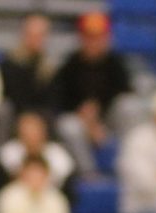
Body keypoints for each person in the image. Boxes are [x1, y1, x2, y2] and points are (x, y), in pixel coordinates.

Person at [52, 11, 133, 177]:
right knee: (68, 125)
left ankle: (127, 162)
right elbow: (59, 100)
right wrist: (84, 117)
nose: (94, 42)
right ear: (81, 37)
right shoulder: (70, 65)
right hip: (80, 122)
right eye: (89, 36)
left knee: (128, 106)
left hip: (108, 124)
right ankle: (89, 173)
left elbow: (126, 92)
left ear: (107, 37)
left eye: (98, 36)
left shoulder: (116, 64)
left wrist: (98, 120)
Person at [0, 110, 74, 193]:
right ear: (18, 133)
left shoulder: (58, 154)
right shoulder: (7, 152)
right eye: (26, 131)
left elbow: (62, 185)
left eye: (34, 130)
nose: (30, 135)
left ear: (44, 132)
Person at [0, 13, 56, 118]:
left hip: (42, 124)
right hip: (15, 121)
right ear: (22, 34)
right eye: (31, 34)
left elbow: (54, 105)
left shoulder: (50, 70)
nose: (35, 39)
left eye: (40, 35)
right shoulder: (8, 65)